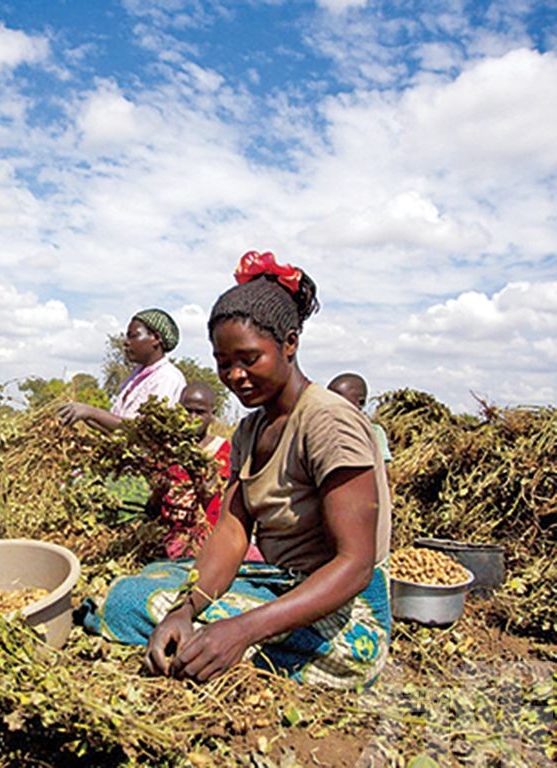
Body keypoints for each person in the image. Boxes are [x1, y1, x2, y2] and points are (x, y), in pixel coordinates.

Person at [81, 251, 392, 689]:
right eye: (223, 363)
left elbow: (355, 565)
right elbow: (231, 531)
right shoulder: (251, 428)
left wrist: (243, 630)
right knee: (141, 588)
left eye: (249, 359)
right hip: (278, 585)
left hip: (346, 613)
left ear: (289, 343)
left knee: (129, 604)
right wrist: (185, 610)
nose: (235, 376)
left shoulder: (329, 422)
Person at [58, 308, 186, 432]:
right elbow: (115, 430)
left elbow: (145, 433)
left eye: (133, 336)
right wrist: (84, 415)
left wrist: (91, 412)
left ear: (156, 338)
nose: (126, 342)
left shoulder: (167, 378)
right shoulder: (136, 375)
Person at [153, 382, 232, 560]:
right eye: (187, 411)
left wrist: (205, 487)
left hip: (207, 534)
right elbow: (155, 505)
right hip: (171, 532)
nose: (192, 418)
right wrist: (159, 489)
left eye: (200, 412)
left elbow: (217, 504)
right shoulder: (167, 449)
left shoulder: (221, 451)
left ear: (213, 414)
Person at [328, 373, 392, 462]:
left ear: (360, 403)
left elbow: (381, 468)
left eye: (337, 399)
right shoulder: (320, 430)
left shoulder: (373, 432)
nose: (329, 403)